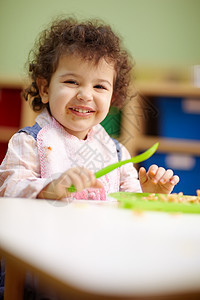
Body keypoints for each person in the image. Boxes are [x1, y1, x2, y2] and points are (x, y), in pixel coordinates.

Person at [0, 17, 179, 201]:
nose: (85, 95)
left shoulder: (117, 154)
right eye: (71, 82)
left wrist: (148, 194)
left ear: (112, 98)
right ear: (45, 89)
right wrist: (50, 188)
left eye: (99, 87)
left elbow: (127, 202)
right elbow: (8, 188)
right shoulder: (29, 143)